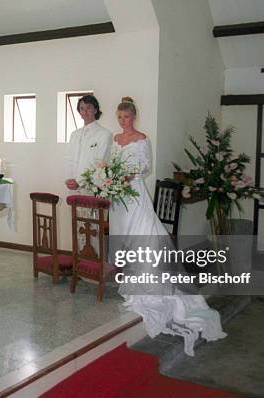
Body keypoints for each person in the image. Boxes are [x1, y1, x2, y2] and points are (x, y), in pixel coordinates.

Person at [110, 97, 226, 356]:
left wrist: (131, 175)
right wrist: (111, 178)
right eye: (119, 117)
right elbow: (110, 165)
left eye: (126, 117)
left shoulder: (142, 138)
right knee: (125, 234)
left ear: (134, 117)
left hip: (135, 191)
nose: (122, 121)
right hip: (118, 195)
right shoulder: (115, 139)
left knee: (142, 233)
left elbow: (145, 166)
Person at [65, 95, 112, 191]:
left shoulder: (104, 134)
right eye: (82, 108)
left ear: (95, 110)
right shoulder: (74, 134)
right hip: (72, 187)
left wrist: (80, 182)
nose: (85, 111)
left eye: (88, 108)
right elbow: (68, 159)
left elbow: (101, 162)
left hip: (92, 187)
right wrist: (69, 179)